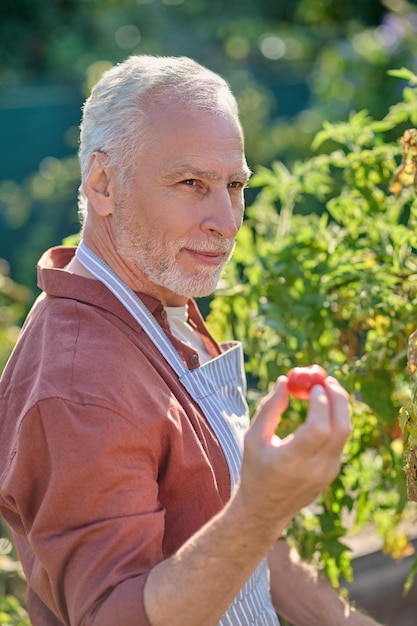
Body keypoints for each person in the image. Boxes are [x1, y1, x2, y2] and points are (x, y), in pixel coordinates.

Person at [0, 55, 383, 626]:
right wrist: (260, 509)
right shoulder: (80, 382)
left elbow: (236, 546)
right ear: (103, 185)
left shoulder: (157, 303)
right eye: (191, 184)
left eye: (234, 185)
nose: (226, 220)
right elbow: (114, 614)